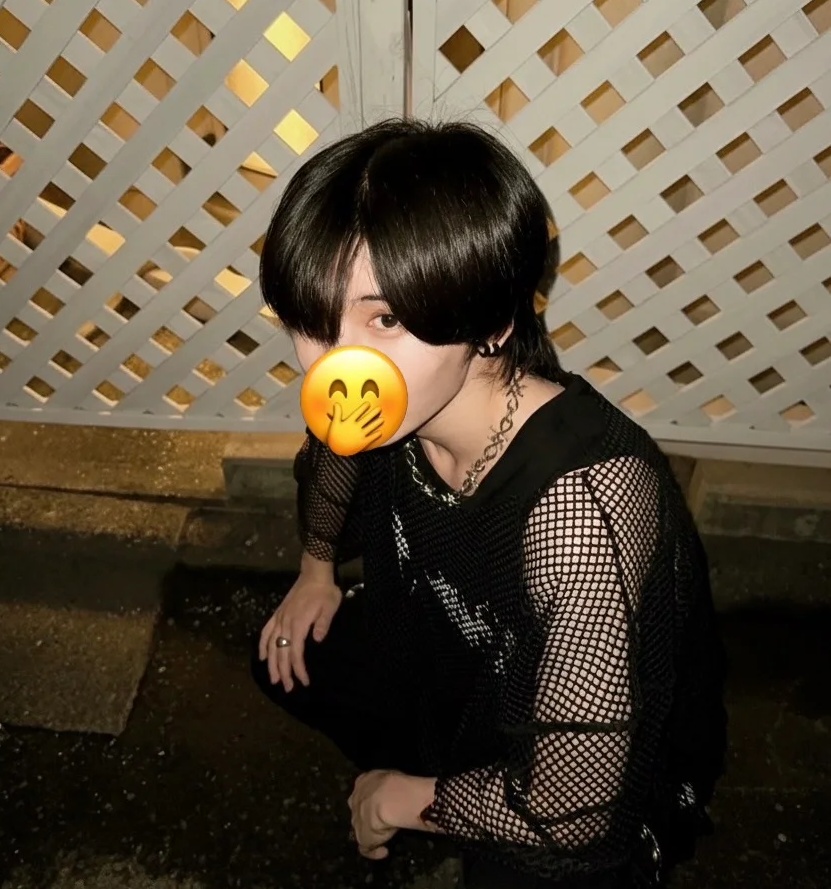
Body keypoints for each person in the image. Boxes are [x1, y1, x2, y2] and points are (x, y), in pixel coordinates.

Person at [250, 118, 727, 888]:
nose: (337, 365)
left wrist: (399, 797)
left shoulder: (583, 507)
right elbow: (334, 453)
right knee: (285, 659)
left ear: (492, 322)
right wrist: (315, 571)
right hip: (445, 641)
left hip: (589, 761)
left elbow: (576, 805)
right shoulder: (374, 402)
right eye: (313, 321)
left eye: (385, 319)